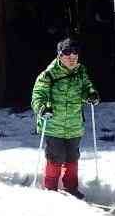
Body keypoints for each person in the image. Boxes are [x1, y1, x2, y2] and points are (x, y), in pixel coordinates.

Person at [30, 37, 100, 199]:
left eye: (75, 52)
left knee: (72, 157)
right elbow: (38, 95)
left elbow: (86, 87)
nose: (72, 56)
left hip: (74, 125)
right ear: (59, 55)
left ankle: (71, 188)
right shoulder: (48, 75)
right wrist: (42, 108)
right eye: (67, 53)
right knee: (55, 156)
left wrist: (90, 95)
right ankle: (51, 188)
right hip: (53, 124)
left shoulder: (81, 71)